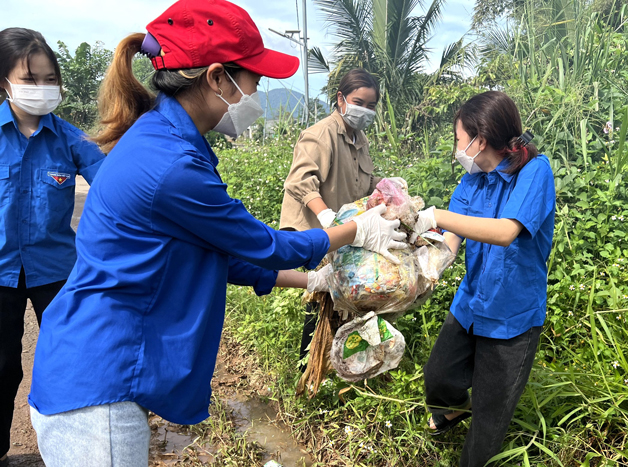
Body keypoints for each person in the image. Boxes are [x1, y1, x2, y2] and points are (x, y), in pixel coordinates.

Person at [27, 1, 406, 466]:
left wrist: (314, 280)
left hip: (97, 372)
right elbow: (266, 245)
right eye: (255, 81)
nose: (258, 95)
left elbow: (217, 257)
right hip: (100, 380)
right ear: (217, 78)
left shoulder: (167, 142)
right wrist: (356, 229)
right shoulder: (171, 166)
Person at [410, 91, 556, 467]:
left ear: (480, 139)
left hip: (511, 316)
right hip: (471, 302)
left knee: (489, 420)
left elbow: (506, 231)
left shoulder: (535, 172)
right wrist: (419, 261)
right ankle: (454, 409)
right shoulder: (472, 181)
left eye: (459, 139)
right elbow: (450, 242)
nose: (457, 148)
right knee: (438, 377)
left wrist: (437, 215)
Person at [0, 28, 105, 467]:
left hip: (58, 270)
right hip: (1, 272)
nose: (41, 90)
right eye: (29, 79)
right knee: (3, 368)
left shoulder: (71, 139)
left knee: (72, 361)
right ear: (3, 82)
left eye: (48, 80)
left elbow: (115, 188)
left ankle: (74, 450)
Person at [280, 68, 404, 367]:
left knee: (346, 296)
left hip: (347, 230)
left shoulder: (359, 138)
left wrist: (385, 186)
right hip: (316, 231)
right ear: (341, 99)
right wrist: (326, 216)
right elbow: (300, 182)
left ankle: (343, 364)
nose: (365, 110)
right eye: (359, 102)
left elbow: (363, 182)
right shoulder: (320, 134)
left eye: (371, 106)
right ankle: (310, 366)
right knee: (324, 296)